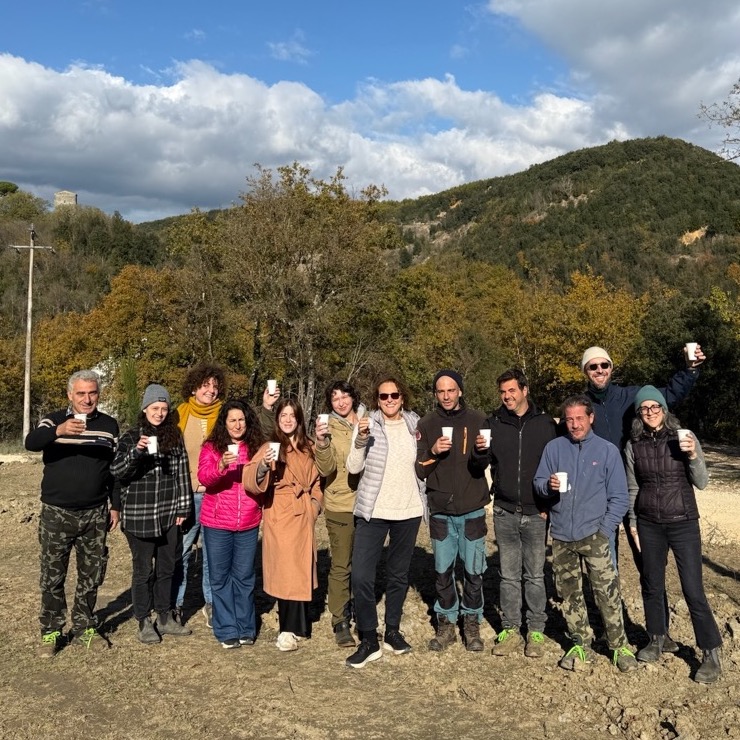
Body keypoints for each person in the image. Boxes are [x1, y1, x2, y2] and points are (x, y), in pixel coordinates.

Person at [625, 386, 722, 683]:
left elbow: (702, 482)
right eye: (645, 409)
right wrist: (632, 522)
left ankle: (710, 652)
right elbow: (633, 487)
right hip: (649, 523)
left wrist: (693, 455)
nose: (651, 412)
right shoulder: (633, 444)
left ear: (665, 409)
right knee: (652, 584)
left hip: (683, 522)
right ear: (639, 414)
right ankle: (657, 638)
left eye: (655, 407)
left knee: (693, 589)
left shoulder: (683, 437)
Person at [533, 395, 638, 672]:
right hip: (562, 536)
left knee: (607, 593)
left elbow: (619, 498)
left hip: (595, 535)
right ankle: (580, 643)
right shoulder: (554, 448)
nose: (575, 424)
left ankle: (619, 646)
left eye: (580, 418)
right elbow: (539, 483)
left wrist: (604, 531)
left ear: (591, 418)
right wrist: (548, 486)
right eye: (569, 419)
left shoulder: (606, 451)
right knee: (569, 595)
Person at [25, 369, 119, 657]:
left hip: (94, 513)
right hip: (57, 513)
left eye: (92, 393)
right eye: (81, 393)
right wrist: (58, 431)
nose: (87, 399)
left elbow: (114, 471)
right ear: (70, 395)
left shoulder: (109, 425)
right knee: (52, 577)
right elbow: (31, 442)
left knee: (92, 575)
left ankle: (84, 627)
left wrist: (115, 505)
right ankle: (51, 631)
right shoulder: (53, 419)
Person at [344, 375, 426, 668]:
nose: (389, 400)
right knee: (362, 576)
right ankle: (369, 638)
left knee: (398, 575)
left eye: (394, 395)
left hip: (408, 511)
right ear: (376, 400)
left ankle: (392, 631)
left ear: (402, 397)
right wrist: (361, 439)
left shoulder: (416, 425)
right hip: (373, 511)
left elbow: (426, 462)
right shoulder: (367, 424)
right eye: (383, 396)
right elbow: (353, 466)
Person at [483, 369, 557, 659]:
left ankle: (535, 630)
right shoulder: (494, 423)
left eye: (512, 390)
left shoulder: (546, 424)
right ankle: (511, 629)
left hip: (537, 513)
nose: (507, 396)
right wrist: (478, 453)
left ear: (525, 390)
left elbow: (557, 462)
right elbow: (481, 464)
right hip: (503, 510)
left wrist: (549, 504)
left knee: (535, 575)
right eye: (503, 392)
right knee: (508, 576)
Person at [415, 369, 489, 652]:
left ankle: (472, 623)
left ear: (460, 391)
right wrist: (433, 451)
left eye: (451, 390)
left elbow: (483, 465)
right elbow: (419, 470)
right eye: (440, 391)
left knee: (473, 572)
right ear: (435, 393)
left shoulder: (479, 420)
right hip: (441, 512)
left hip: (472, 509)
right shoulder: (427, 423)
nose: (446, 395)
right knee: (443, 572)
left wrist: (482, 452)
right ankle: (446, 623)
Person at [112, 384, 193, 644]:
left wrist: (183, 508)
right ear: (145, 408)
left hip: (169, 514)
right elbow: (118, 471)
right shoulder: (130, 436)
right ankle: (143, 620)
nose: (159, 413)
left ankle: (165, 616)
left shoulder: (175, 436)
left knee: (167, 568)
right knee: (143, 571)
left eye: (164, 408)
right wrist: (137, 451)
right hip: (139, 514)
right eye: (154, 408)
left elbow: (182, 474)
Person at [243, 398, 323, 653]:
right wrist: (265, 465)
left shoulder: (309, 446)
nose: (288, 420)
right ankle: (286, 630)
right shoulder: (270, 446)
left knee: (299, 570)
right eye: (283, 415)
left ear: (299, 419)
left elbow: (319, 481)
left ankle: (299, 625)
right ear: (277, 419)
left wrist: (314, 505)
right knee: (287, 571)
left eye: (292, 415)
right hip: (281, 511)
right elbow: (250, 477)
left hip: (303, 512)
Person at [197, 400, 264, 649]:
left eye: (241, 420)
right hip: (217, 523)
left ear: (248, 422)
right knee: (220, 577)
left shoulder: (256, 447)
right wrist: (221, 465)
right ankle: (226, 629)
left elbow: (263, 480)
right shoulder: (212, 447)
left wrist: (266, 466)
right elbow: (204, 477)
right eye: (232, 420)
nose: (237, 425)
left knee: (245, 576)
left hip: (248, 521)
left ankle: (246, 627)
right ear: (224, 423)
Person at [173, 363, 226, 629]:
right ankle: (176, 603)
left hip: (217, 495)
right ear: (194, 387)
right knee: (181, 551)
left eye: (215, 386)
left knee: (212, 554)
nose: (211, 390)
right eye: (206, 385)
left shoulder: (226, 415)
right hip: (186, 496)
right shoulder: (180, 414)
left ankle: (212, 603)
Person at [314, 380, 365, 648]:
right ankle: (340, 620)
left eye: (345, 396)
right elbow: (326, 469)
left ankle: (362, 615)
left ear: (353, 397)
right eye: (335, 398)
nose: (341, 401)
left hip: (368, 504)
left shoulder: (369, 420)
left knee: (364, 566)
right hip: (340, 504)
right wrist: (321, 442)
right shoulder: (328, 427)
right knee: (342, 564)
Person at [581, 344, 705, 451]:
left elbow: (670, 394)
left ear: (611, 368)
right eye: (593, 367)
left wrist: (690, 369)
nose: (599, 370)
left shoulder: (630, 396)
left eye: (604, 365)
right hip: (597, 474)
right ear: (586, 371)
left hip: (630, 472)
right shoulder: (580, 405)